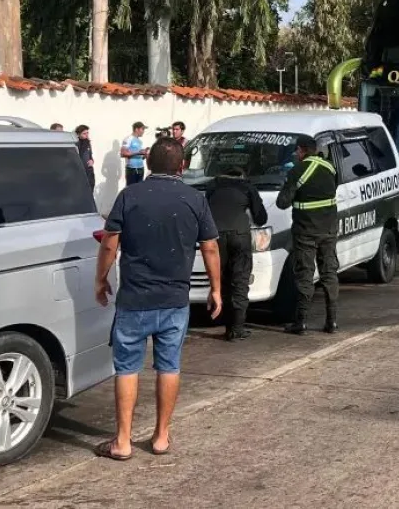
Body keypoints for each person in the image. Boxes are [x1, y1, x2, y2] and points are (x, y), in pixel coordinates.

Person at [93, 137, 222, 460]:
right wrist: (216, 289)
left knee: (126, 368)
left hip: (134, 299)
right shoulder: (194, 199)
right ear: (182, 166)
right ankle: (161, 437)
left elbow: (110, 243)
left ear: (148, 164)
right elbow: (210, 246)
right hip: (175, 300)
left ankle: (122, 441)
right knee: (169, 367)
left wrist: (101, 279)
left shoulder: (129, 196)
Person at [275, 136, 339, 334]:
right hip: (328, 229)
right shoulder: (329, 167)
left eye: (297, 151)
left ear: (302, 151)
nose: (295, 154)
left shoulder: (297, 171)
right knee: (329, 274)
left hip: (305, 232)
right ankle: (332, 322)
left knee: (305, 275)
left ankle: (300, 322)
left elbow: (282, 202)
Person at [205, 166, 268, 341]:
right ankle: (237, 328)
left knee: (221, 280)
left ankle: (226, 327)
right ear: (241, 175)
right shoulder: (247, 187)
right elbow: (261, 218)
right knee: (239, 280)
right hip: (240, 235)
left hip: (216, 236)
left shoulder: (212, 186)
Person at [74, 124, 95, 191]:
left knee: (90, 189)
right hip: (80, 172)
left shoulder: (88, 143)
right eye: (84, 133)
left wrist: (92, 161)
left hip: (89, 171)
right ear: (78, 134)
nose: (86, 135)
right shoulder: (75, 144)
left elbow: (90, 156)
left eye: (87, 133)